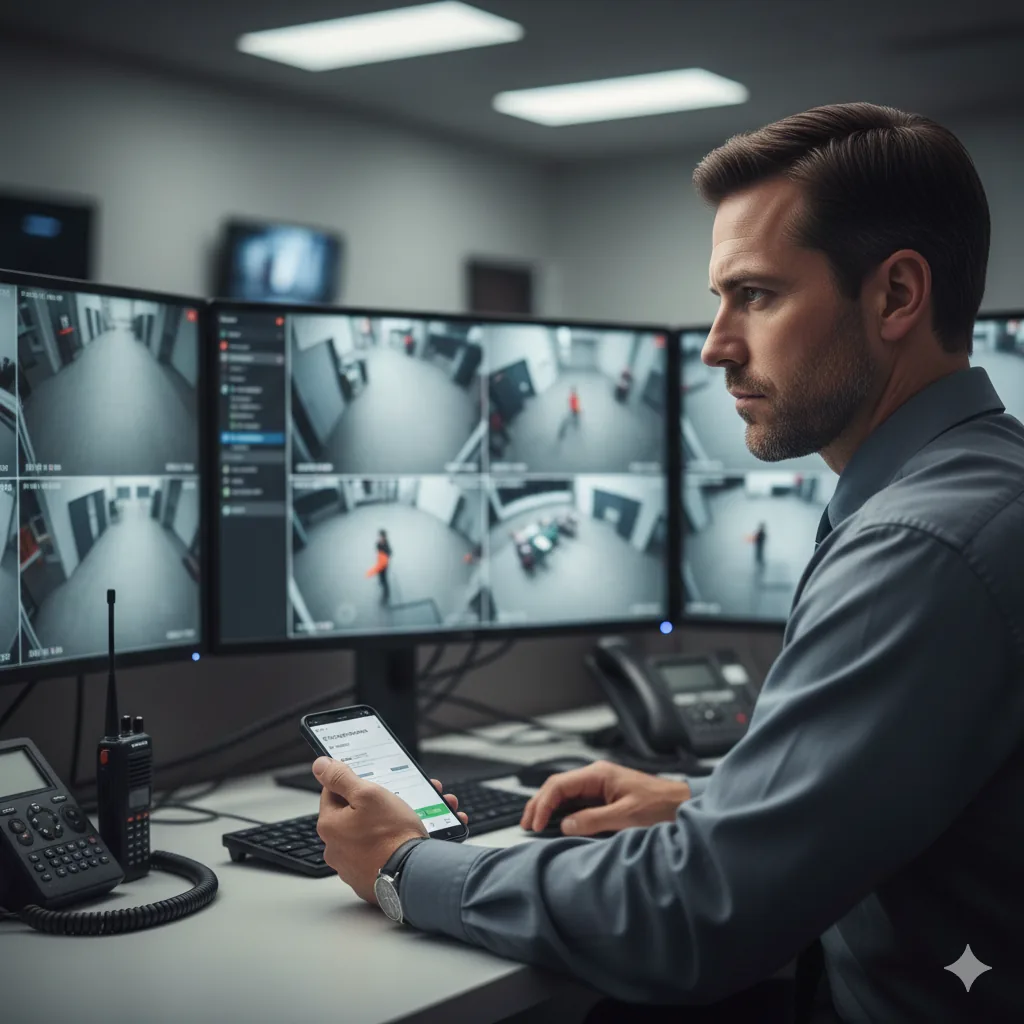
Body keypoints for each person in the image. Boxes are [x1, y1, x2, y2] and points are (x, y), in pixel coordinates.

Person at [311, 103, 1024, 1023]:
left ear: (896, 296)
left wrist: (406, 866)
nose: (718, 344)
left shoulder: (916, 546)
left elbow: (692, 916)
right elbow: (925, 785)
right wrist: (706, 797)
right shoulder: (988, 481)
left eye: (756, 295)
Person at [365, 529, 391, 604]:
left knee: (384, 581)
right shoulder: (379, 543)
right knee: (381, 580)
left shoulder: (386, 544)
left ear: (385, 536)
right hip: (380, 564)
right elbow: (377, 547)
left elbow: (389, 552)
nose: (381, 537)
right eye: (380, 536)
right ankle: (383, 596)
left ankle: (386, 597)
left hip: (384, 565)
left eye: (383, 536)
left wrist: (385, 551)